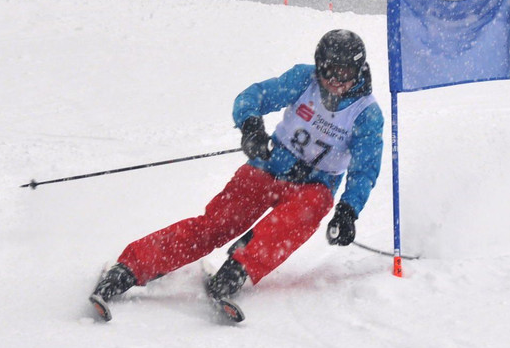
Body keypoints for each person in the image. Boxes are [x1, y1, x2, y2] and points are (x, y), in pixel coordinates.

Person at [89, 29, 384, 320]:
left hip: (314, 185)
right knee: (217, 225)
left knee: (299, 217)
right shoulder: (304, 79)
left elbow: (364, 169)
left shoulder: (366, 114)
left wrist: (348, 211)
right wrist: (251, 127)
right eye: (330, 71)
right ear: (319, 66)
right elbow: (253, 96)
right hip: (269, 167)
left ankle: (236, 272)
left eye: (345, 73)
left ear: (358, 70)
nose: (336, 81)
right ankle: (130, 267)